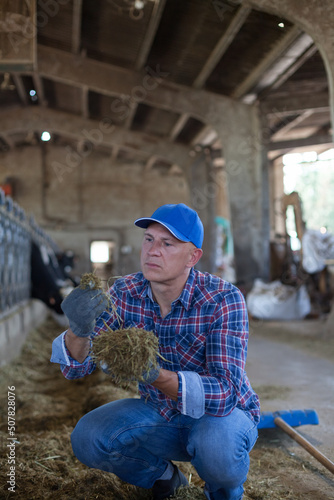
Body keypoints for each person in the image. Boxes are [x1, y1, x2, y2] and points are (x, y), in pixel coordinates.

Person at [51, 203, 260, 500]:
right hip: (160, 413)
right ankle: (164, 478)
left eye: (167, 243)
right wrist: (78, 329)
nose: (153, 250)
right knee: (88, 438)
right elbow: (75, 368)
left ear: (193, 256)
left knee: (217, 447)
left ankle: (223, 489)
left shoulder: (223, 298)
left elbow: (226, 392)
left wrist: (156, 375)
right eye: (149, 239)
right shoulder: (124, 293)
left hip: (221, 417)